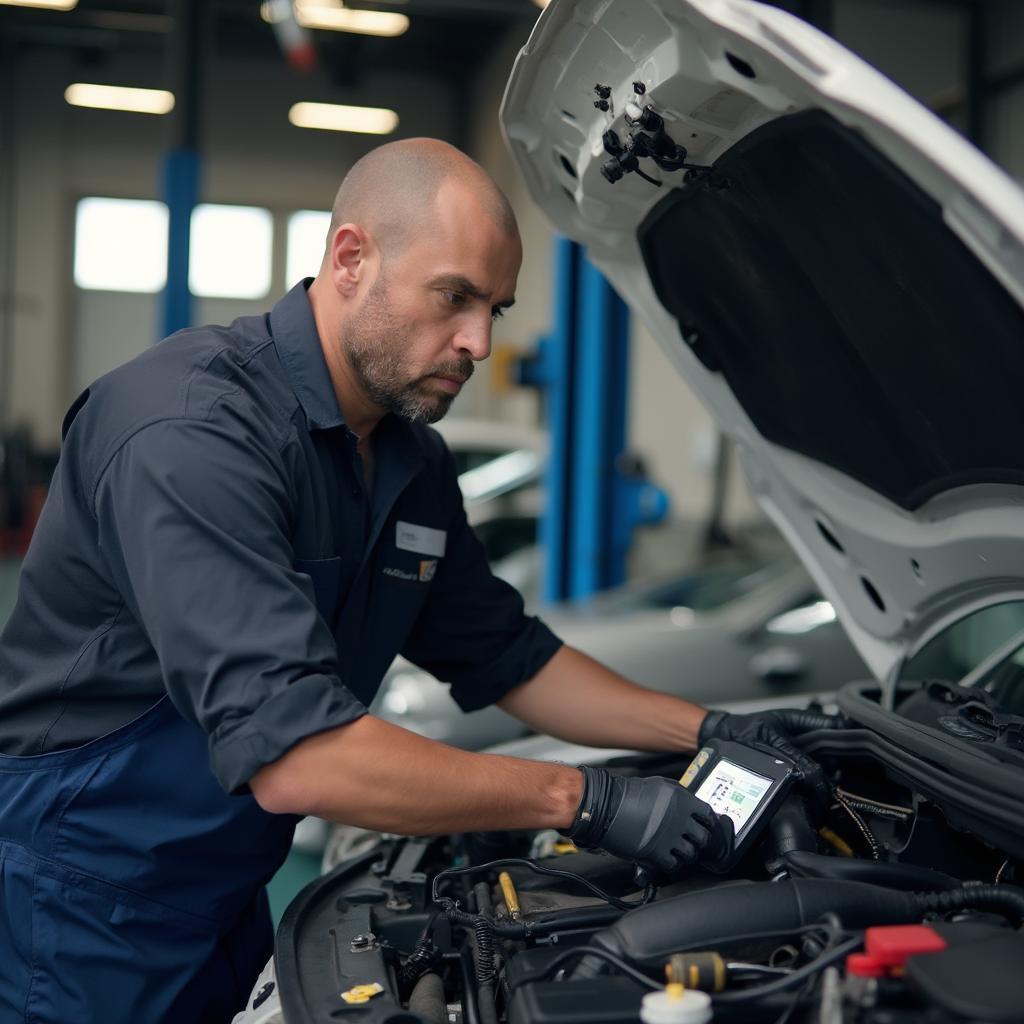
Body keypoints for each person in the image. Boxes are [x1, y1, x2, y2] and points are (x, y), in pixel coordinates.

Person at [0, 139, 837, 1023]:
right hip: (82, 895)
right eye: (455, 297)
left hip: (222, 894)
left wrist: (712, 728)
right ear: (352, 258)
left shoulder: (409, 459)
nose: (478, 340)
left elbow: (509, 657)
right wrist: (587, 799)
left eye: (494, 309)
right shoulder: (188, 433)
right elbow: (298, 757)